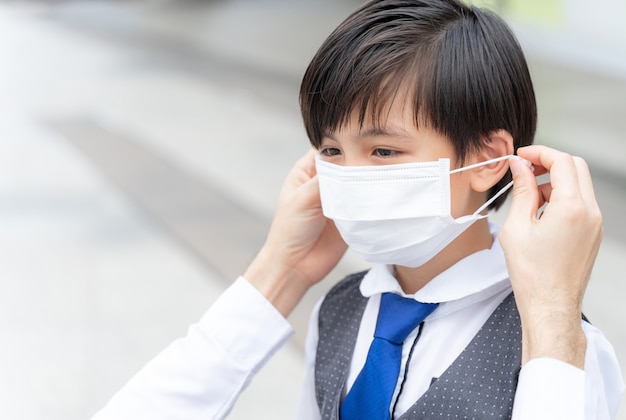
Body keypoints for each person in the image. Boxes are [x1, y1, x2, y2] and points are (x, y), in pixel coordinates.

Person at [92, 1, 624, 419]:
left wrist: (552, 318)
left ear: (487, 160)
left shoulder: (563, 346)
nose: (349, 177)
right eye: (330, 152)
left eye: (384, 151)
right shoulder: (340, 310)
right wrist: (280, 270)